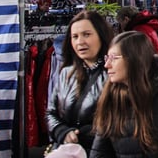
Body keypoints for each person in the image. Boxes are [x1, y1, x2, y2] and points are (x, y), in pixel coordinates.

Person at [47, 10, 114, 154]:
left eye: (87, 34)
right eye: (75, 37)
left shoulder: (114, 73)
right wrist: (62, 131)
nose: (80, 42)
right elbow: (50, 113)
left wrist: (89, 134)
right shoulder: (66, 73)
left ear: (101, 35)